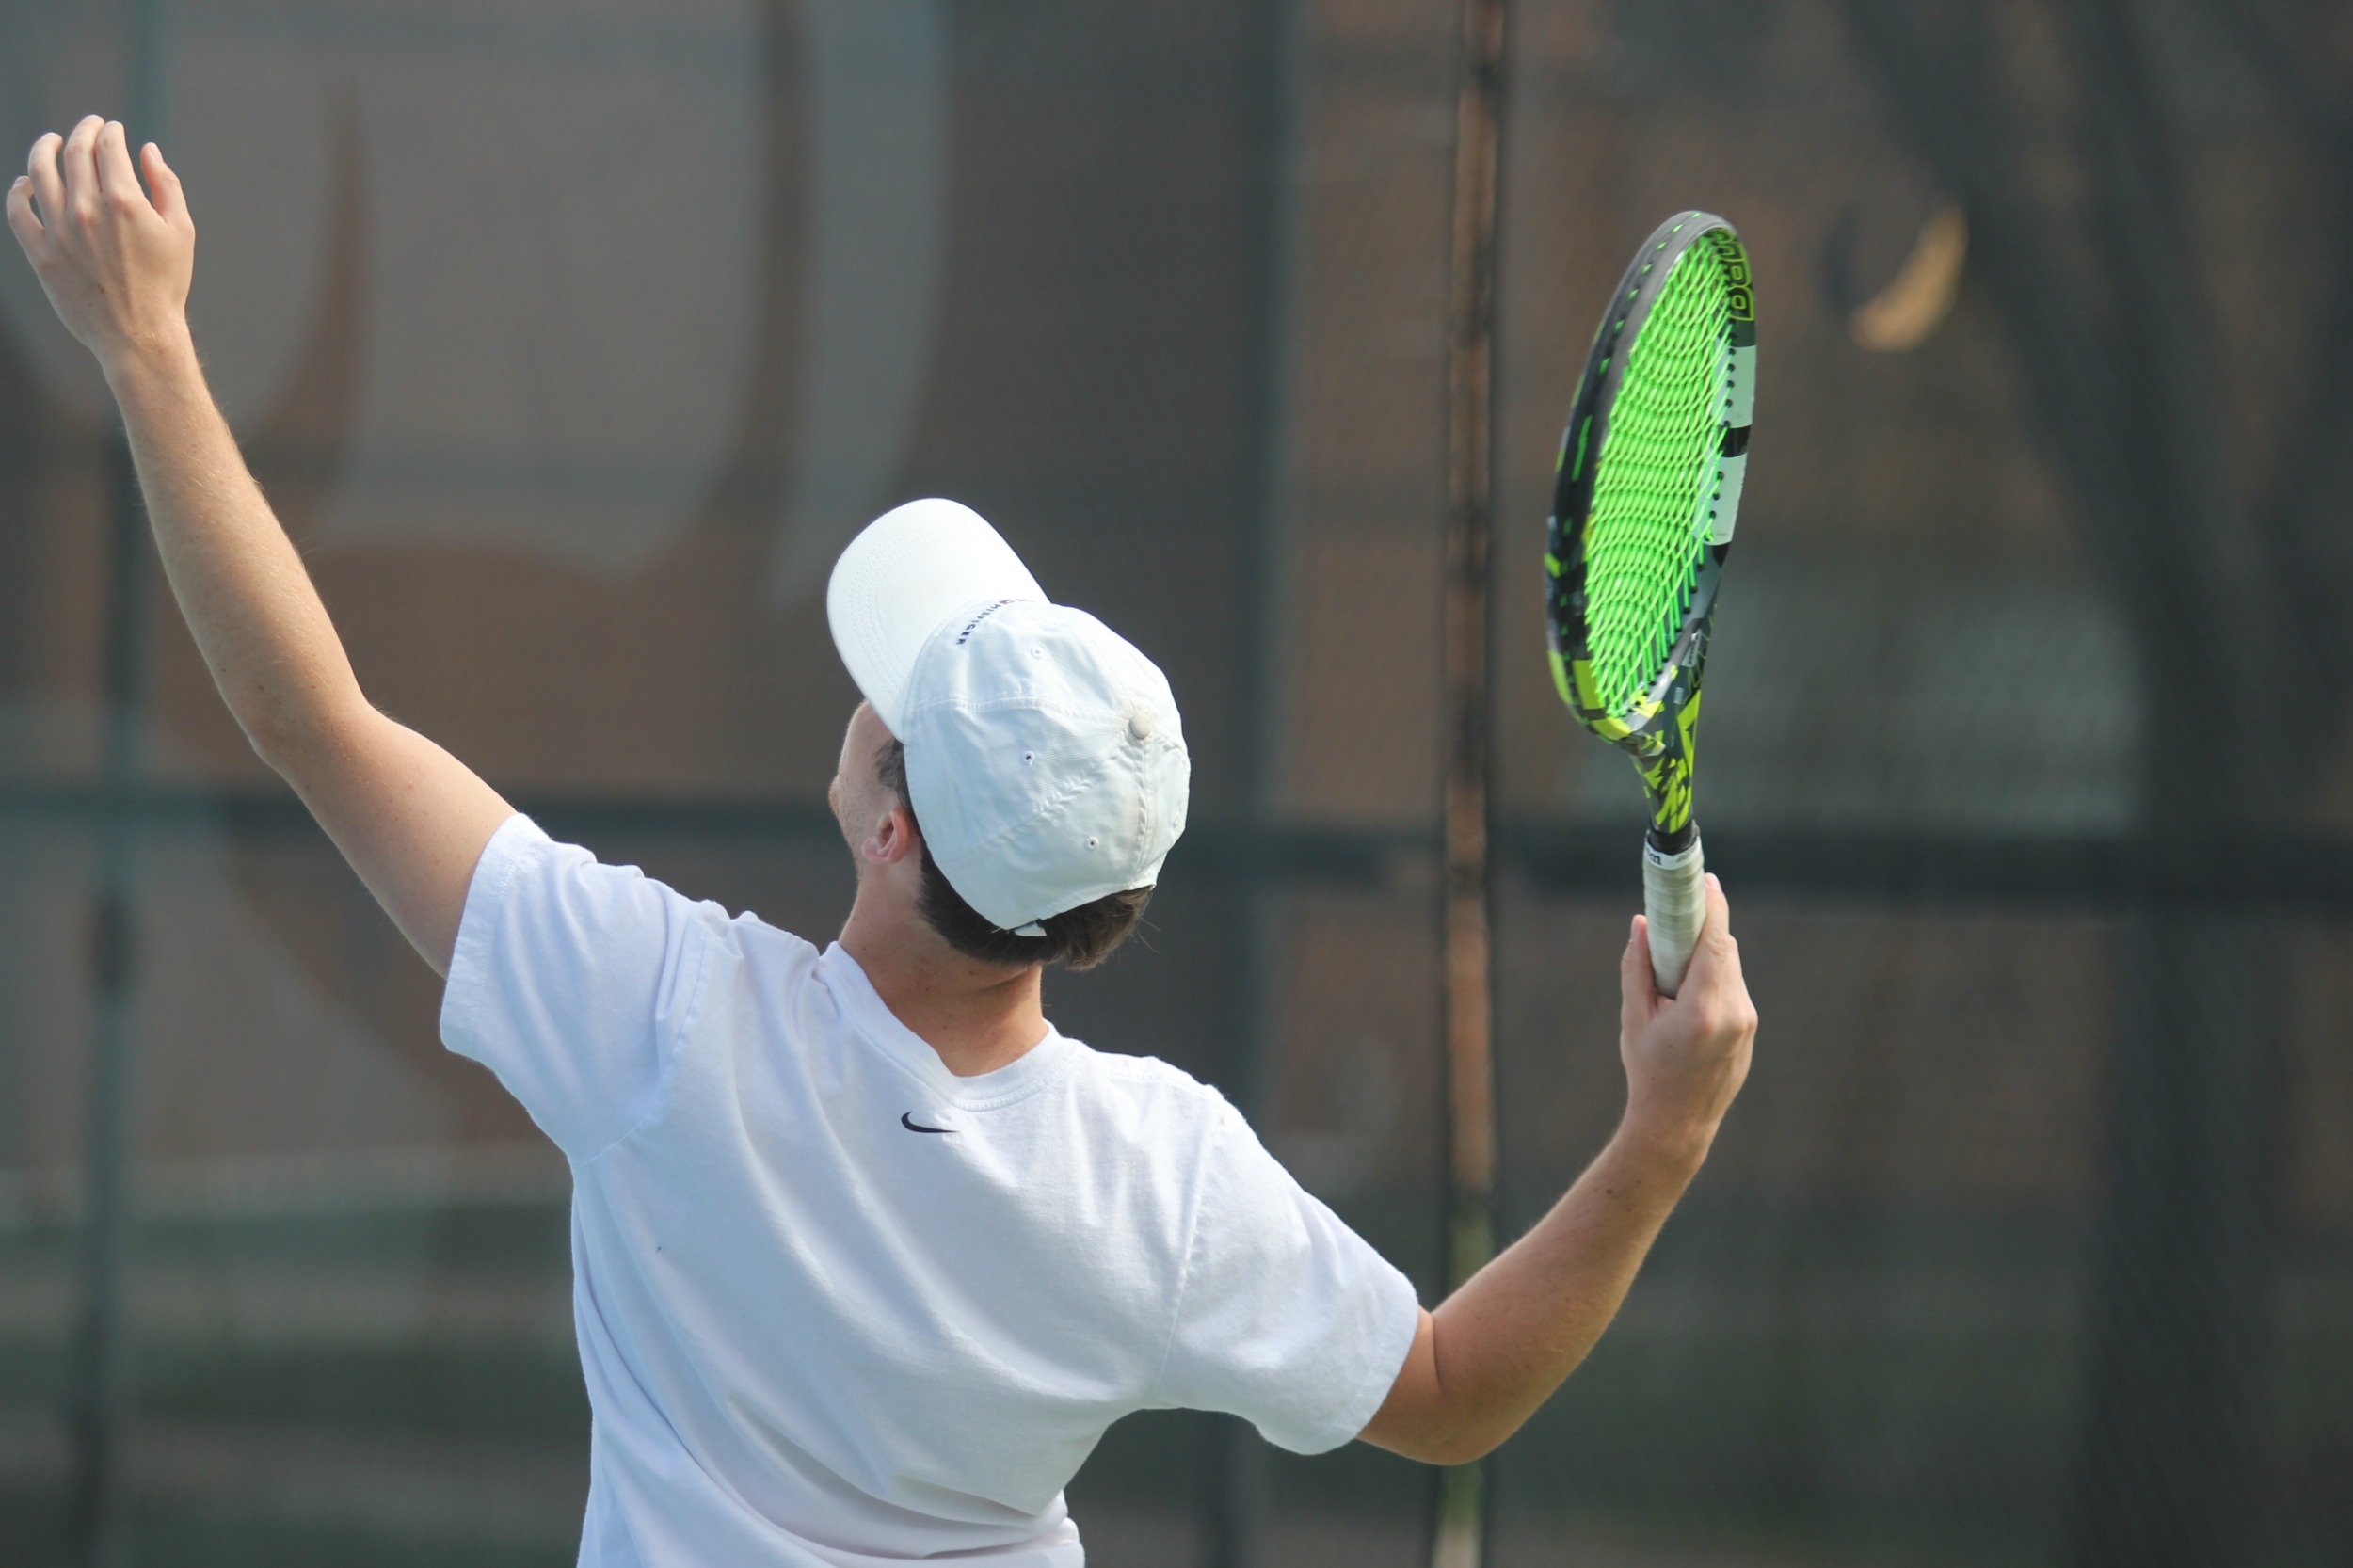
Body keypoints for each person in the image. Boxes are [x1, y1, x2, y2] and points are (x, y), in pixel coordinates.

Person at [8, 117, 1758, 1566]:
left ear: (893, 816)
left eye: (904, 696)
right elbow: (1451, 1384)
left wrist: (145, 346)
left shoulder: (663, 1021)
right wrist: (1662, 1134)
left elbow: (307, 716)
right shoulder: (1160, 1184)